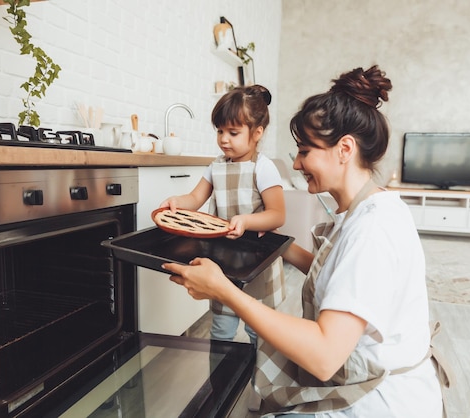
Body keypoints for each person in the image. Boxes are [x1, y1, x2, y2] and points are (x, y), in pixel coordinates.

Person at [162, 65, 448, 417]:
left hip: (376, 402)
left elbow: (326, 355)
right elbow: (341, 277)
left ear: (344, 149)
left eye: (304, 151)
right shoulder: (365, 210)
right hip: (359, 381)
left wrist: (225, 291)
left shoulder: (373, 230)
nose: (296, 164)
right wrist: (278, 246)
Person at [159, 84, 286, 348]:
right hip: (223, 261)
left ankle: (258, 383)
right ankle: (221, 382)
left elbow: (277, 215)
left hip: (256, 263)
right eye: (219, 131)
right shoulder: (215, 166)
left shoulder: (263, 168)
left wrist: (247, 221)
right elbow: (195, 199)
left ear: (257, 133)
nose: (224, 139)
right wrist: (178, 202)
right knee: (221, 329)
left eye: (233, 132)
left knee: (258, 332)